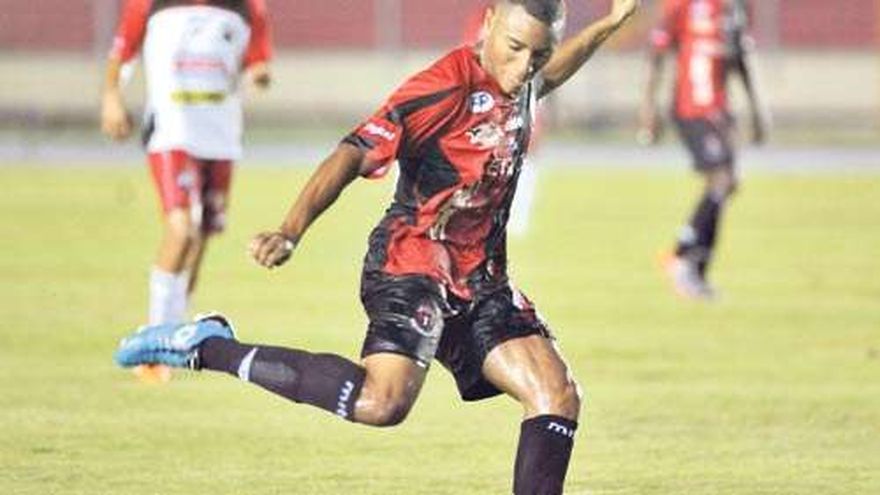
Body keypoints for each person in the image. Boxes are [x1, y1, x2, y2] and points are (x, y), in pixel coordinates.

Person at [114, 1, 639, 493]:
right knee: (380, 402)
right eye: (515, 47)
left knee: (556, 394)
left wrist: (609, 23)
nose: (524, 66)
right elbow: (353, 152)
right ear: (488, 23)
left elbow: (551, 74)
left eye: (538, 54)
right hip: (412, 265)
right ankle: (207, 346)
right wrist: (291, 229)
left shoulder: (524, 78)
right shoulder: (443, 87)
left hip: (481, 280)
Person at [101, 0, 273, 380]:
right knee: (182, 230)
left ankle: (173, 337)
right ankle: (152, 346)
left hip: (221, 135)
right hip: (173, 130)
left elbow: (258, 58)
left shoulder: (248, 6)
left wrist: (259, 74)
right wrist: (111, 96)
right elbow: (122, 50)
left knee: (200, 238)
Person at [638, 0, 769, 300]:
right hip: (691, 107)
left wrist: (757, 110)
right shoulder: (682, 5)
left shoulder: (732, 8)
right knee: (722, 178)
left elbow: (741, 60)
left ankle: (690, 260)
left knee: (727, 182)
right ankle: (685, 259)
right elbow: (657, 53)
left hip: (719, 111)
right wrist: (648, 108)